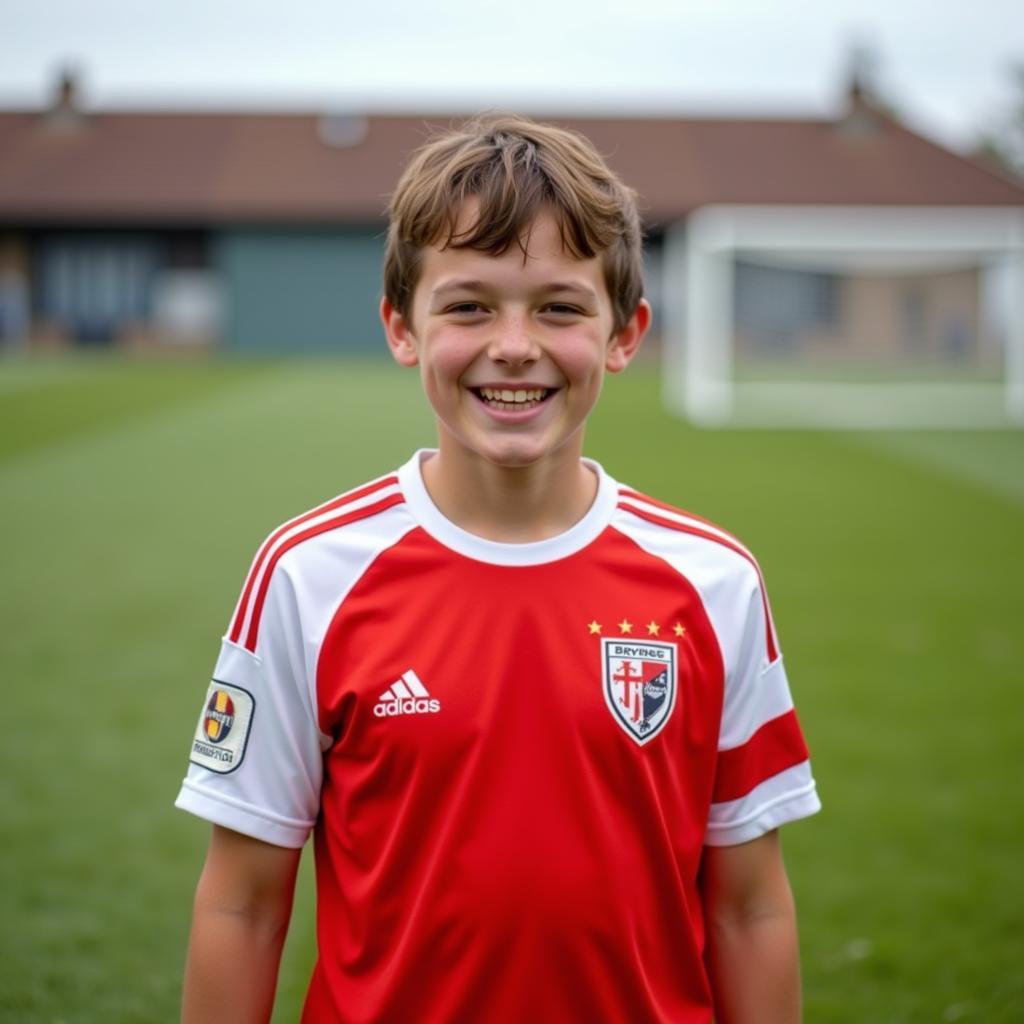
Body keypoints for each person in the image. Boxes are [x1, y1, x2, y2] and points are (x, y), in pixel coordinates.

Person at [176, 114, 821, 1023]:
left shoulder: (713, 582)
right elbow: (241, 903)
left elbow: (750, 904)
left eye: (558, 307)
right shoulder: (308, 574)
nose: (513, 344)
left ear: (624, 334)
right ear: (402, 329)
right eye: (469, 305)